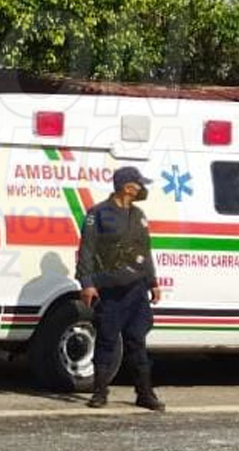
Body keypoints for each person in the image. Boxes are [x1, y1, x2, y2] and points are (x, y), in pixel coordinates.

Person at [77, 166, 166, 412]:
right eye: (138, 184)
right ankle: (100, 392)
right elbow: (86, 249)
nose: (141, 189)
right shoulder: (98, 214)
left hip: (136, 290)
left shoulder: (138, 215)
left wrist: (153, 282)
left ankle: (145, 393)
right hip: (110, 289)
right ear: (127, 186)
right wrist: (87, 283)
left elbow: (145, 252)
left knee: (137, 340)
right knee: (106, 340)